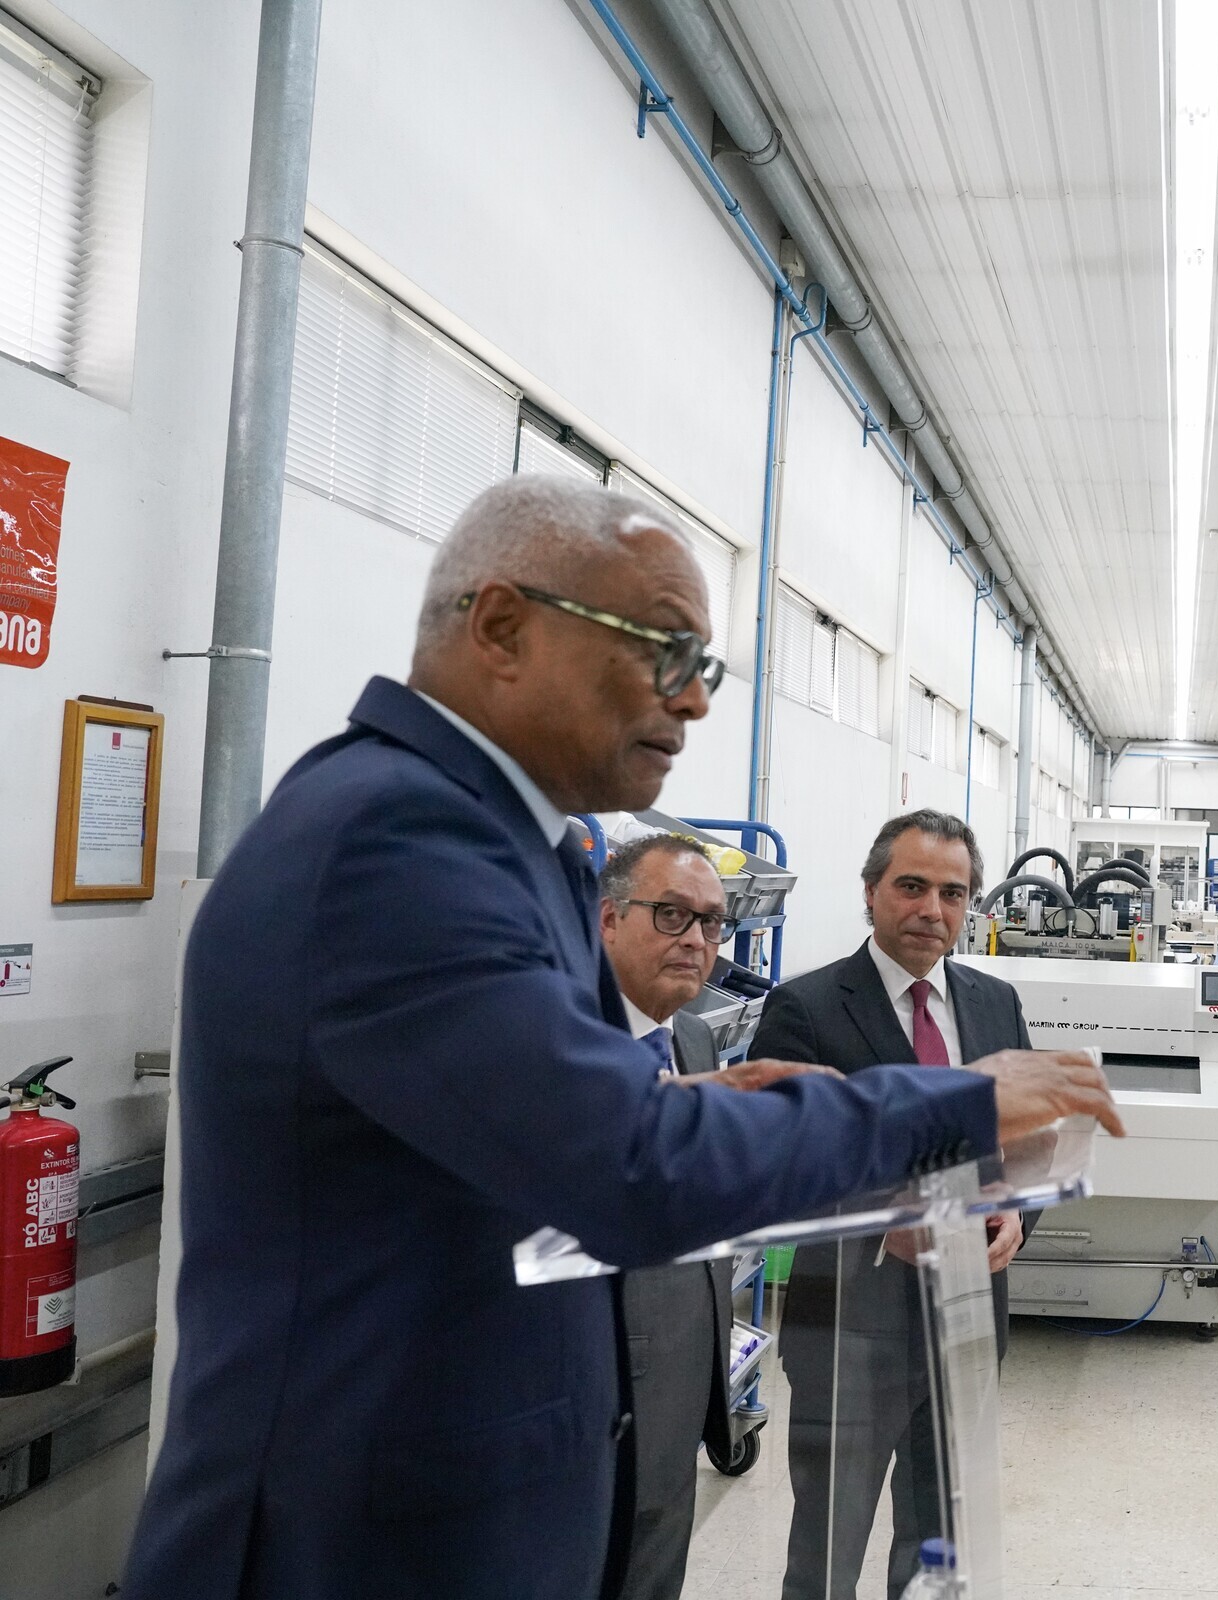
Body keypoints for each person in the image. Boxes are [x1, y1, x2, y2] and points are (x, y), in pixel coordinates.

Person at [121, 479, 1118, 1600]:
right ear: (503, 626)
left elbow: (527, 1120)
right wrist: (955, 1103)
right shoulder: (396, 839)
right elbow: (626, 1167)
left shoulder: (517, 846)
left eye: (705, 669)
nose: (690, 702)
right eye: (663, 652)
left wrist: (689, 1102)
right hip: (360, 1538)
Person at [747, 811, 1043, 1599]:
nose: (931, 909)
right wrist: (887, 1221)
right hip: (848, 1328)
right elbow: (777, 1163)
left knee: (938, 1540)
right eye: (911, 886)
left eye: (952, 892)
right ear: (871, 891)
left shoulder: (994, 1004)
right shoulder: (807, 1008)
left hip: (966, 1317)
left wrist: (1015, 1212)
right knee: (829, 1541)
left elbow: (1023, 1138)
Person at [596, 834, 743, 1600]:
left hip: (684, 1371)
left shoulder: (691, 1036)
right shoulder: (562, 1043)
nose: (695, 939)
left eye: (711, 922)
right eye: (671, 914)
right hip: (596, 1390)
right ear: (608, 919)